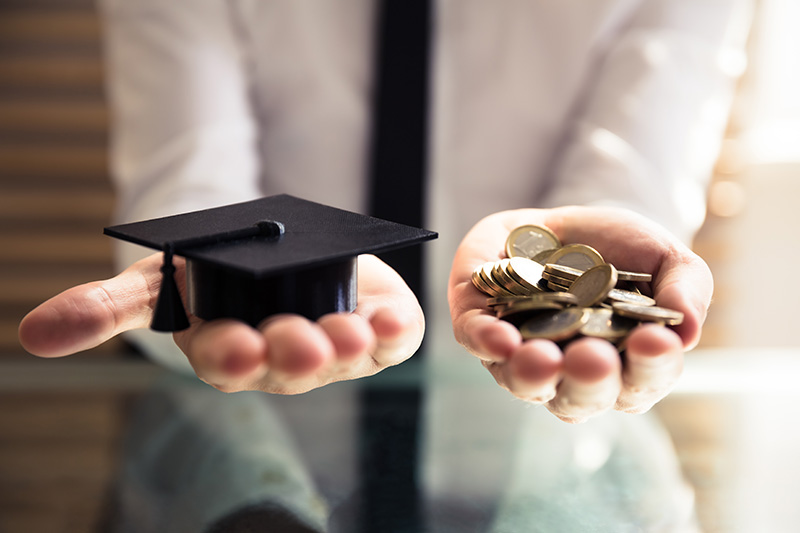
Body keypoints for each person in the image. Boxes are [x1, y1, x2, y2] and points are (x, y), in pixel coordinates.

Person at [18, 0, 749, 423]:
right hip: (236, 433)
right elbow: (187, 175)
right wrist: (222, 273)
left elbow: (633, 172)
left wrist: (611, 267)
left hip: (546, 451)